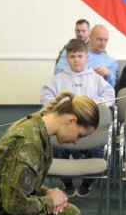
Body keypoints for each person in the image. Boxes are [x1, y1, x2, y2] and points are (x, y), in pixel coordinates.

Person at [41, 38, 114, 197]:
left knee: (97, 147)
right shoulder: (59, 78)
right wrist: (63, 106)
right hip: (66, 127)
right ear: (66, 58)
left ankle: (87, 183)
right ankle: (67, 183)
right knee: (56, 146)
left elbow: (109, 96)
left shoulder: (95, 78)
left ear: (86, 57)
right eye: (72, 56)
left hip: (88, 128)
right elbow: (46, 96)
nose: (76, 60)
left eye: (80, 56)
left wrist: (90, 104)